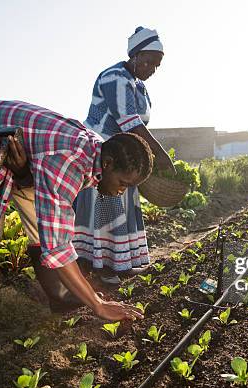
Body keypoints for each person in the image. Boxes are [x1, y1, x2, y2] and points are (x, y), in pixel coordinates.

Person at [0, 100, 146, 355]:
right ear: (107, 164)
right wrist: (98, 305)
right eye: (123, 183)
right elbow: (59, 246)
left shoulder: (97, 150)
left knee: (40, 225)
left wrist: (23, 173)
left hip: (21, 152)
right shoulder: (67, 162)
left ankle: (59, 296)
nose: (121, 191)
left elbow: (51, 224)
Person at [74, 26, 173, 285]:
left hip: (124, 153)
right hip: (102, 152)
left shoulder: (137, 84)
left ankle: (122, 263)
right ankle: (103, 267)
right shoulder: (115, 77)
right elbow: (130, 122)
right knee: (107, 204)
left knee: (121, 204)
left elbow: (138, 124)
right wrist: (160, 155)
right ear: (135, 55)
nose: (152, 68)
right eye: (149, 61)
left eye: (157, 65)